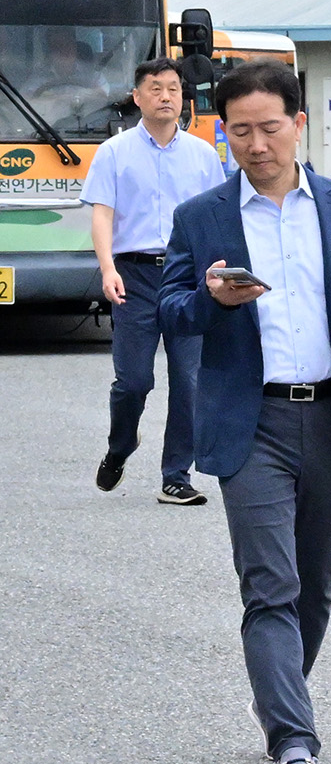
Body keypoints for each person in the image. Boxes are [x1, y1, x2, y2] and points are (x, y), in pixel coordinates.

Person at [159, 61, 331, 764]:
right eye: (240, 131)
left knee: (316, 584)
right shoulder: (202, 218)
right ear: (222, 132)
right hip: (250, 420)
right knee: (271, 584)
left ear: (299, 124)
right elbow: (168, 311)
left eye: (270, 127)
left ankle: (279, 689)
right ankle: (294, 738)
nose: (257, 144)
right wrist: (209, 299)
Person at [84, 57, 227, 504]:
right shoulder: (115, 151)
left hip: (186, 276)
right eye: (155, 88)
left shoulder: (203, 155)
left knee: (189, 379)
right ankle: (120, 446)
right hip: (134, 275)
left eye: (173, 88)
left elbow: (218, 217)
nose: (166, 96)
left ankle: (176, 476)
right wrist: (107, 268)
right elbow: (102, 214)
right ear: (137, 96)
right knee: (134, 381)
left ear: (183, 97)